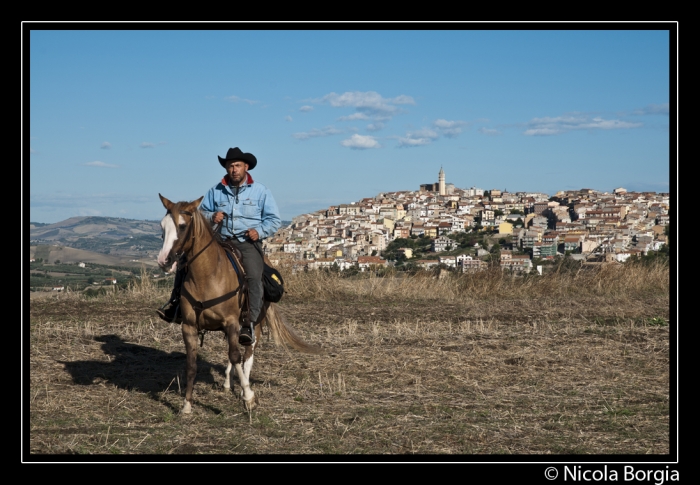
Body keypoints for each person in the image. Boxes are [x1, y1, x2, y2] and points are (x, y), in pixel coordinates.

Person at [157, 147, 281, 345]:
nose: (234, 169)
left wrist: (259, 231)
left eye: (238, 165)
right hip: (219, 240)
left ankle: (249, 322)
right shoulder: (215, 191)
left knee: (254, 275)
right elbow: (200, 214)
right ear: (226, 168)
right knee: (184, 263)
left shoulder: (261, 191)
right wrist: (212, 216)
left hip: (246, 242)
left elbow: (274, 220)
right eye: (230, 166)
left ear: (246, 167)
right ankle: (175, 306)